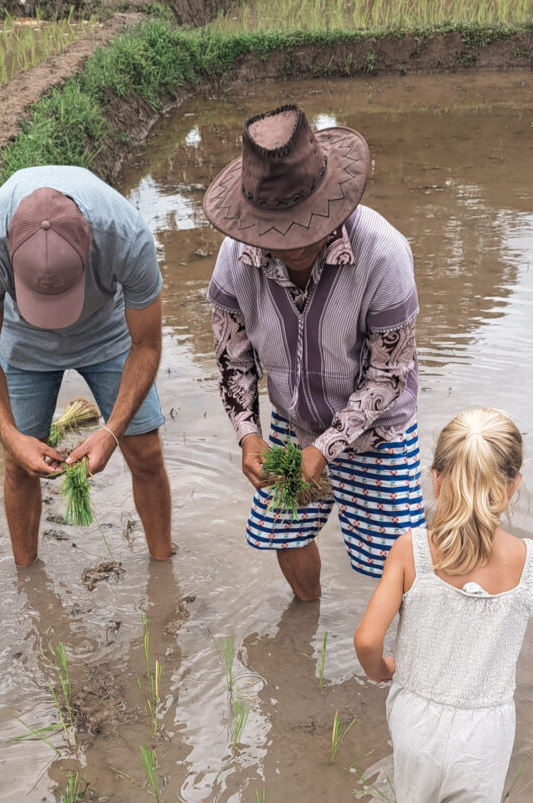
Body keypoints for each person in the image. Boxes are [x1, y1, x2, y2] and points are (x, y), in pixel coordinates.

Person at [353, 407, 533, 803]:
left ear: (437, 479)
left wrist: (383, 672)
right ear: (512, 486)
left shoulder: (411, 551)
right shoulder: (530, 561)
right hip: (484, 736)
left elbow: (367, 641)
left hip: (417, 723)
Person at [204, 104, 424, 600]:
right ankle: (307, 615)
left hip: (375, 432)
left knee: (397, 561)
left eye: (304, 226)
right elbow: (233, 360)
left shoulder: (383, 254)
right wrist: (248, 435)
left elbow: (388, 377)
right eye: (276, 231)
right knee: (286, 532)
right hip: (292, 419)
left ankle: (402, 645)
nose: (292, 245)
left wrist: (325, 449)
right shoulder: (235, 257)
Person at [0, 165, 171, 567]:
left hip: (106, 328)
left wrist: (111, 431)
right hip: (24, 337)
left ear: (90, 244)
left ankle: (163, 569)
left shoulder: (125, 234)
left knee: (145, 451)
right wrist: (11, 436)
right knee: (18, 465)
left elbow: (146, 344)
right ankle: (28, 576)